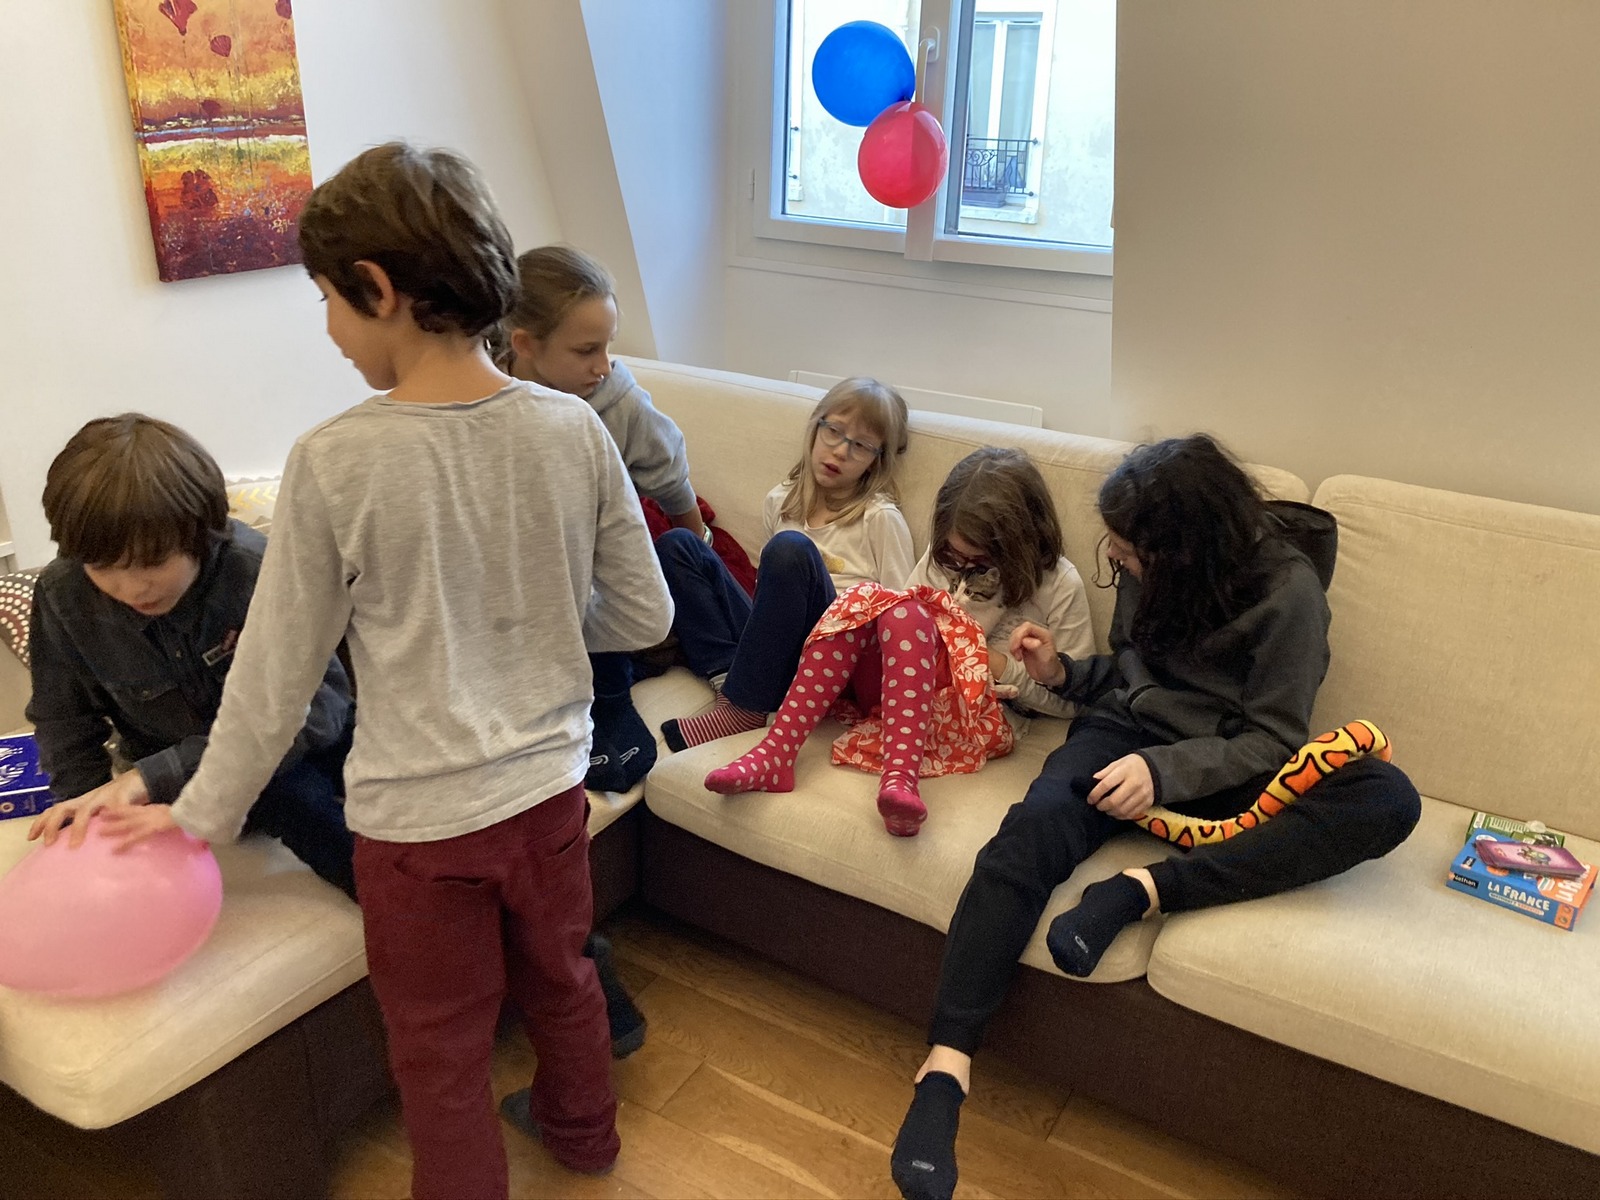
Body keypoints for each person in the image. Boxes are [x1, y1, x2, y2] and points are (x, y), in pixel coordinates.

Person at [82, 143, 672, 1197]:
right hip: (548, 798)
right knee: (564, 981)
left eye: (325, 300)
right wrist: (532, 617)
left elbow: (272, 684)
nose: (327, 328)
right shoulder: (574, 429)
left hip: (416, 831)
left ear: (378, 288)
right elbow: (643, 612)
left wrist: (196, 817)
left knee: (441, 1052)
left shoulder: (333, 461)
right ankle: (586, 1138)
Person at [888, 435, 1422, 1200]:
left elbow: (1274, 738)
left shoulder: (1289, 594)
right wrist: (1063, 673)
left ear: (1188, 551)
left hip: (1227, 763)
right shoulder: (1144, 567)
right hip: (1122, 737)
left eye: (1130, 552)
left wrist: (1163, 772)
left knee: (1386, 798)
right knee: (1029, 832)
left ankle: (1143, 890)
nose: (1115, 559)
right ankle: (946, 1067)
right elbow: (1131, 676)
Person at [25, 415, 356, 899]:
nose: (133, 588)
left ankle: (409, 905)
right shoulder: (62, 595)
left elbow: (323, 708)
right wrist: (86, 814)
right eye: (103, 567)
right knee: (291, 797)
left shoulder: (257, 569)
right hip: (190, 778)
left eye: (154, 562)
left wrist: (151, 777)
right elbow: (64, 720)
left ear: (200, 533)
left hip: (296, 741)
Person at [705, 447, 1094, 836]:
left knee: (897, 609)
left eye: (979, 565)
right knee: (881, 604)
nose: (960, 572)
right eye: (953, 558)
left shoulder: (1060, 585)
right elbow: (900, 620)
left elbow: (1073, 703)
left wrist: (997, 663)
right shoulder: (942, 556)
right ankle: (777, 753)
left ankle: (899, 780)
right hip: (904, 695)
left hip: (973, 717)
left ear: (1018, 548)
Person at [500, 244, 702, 793]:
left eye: (608, 345)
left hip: (599, 577)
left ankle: (610, 697)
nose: (604, 364)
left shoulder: (621, 403)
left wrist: (696, 558)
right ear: (524, 344)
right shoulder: (488, 401)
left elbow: (673, 484)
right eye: (587, 350)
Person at [659, 377, 915, 750]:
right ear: (815, 426)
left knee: (790, 550)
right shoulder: (780, 500)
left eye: (860, 446)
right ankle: (729, 679)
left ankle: (744, 706)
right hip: (773, 646)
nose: (841, 451)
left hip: (833, 657)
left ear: (878, 459)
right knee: (679, 545)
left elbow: (902, 616)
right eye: (834, 431)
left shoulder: (880, 518)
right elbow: (768, 594)